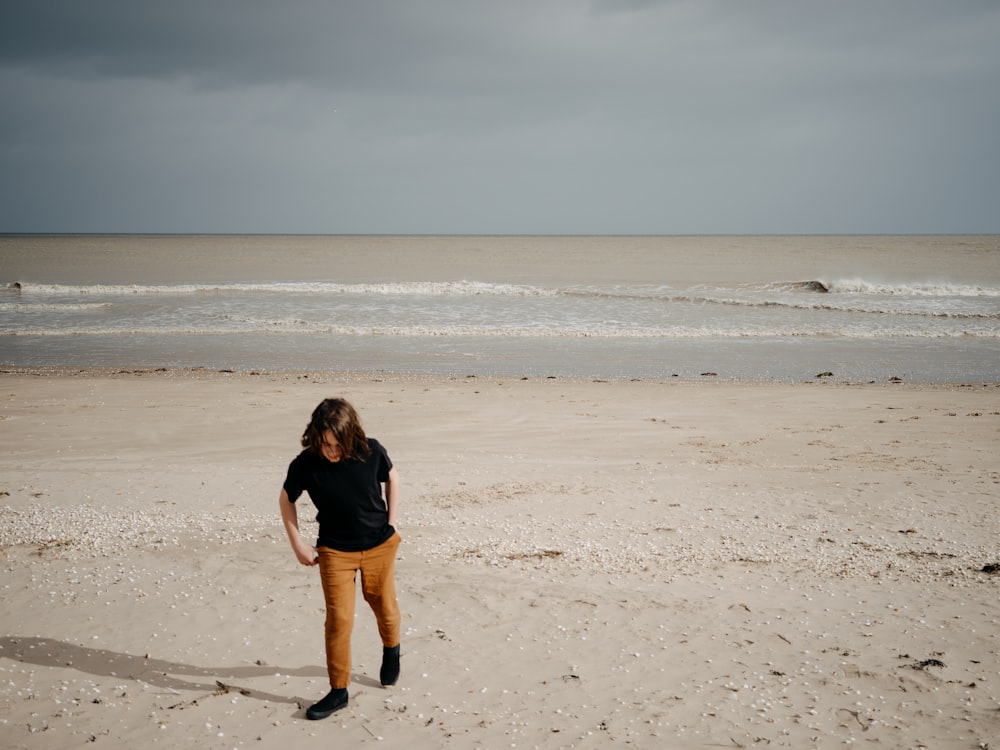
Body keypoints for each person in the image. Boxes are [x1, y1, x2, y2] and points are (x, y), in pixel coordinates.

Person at [279, 397, 402, 720]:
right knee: (339, 621)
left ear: (351, 436)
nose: (332, 451)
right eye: (325, 444)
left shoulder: (371, 450)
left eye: (337, 444)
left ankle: (392, 650)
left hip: (379, 545)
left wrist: (392, 522)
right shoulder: (305, 464)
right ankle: (338, 690)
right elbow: (285, 500)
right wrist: (299, 546)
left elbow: (393, 478)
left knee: (383, 606)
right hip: (334, 551)